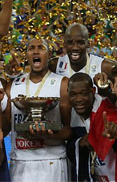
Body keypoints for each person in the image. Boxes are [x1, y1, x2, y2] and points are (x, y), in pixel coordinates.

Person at [4, 37, 72, 181]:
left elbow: (68, 130)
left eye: (41, 48)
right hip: (21, 161)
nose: (36, 51)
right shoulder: (13, 86)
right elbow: (6, 127)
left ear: (49, 54)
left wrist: (49, 136)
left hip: (52, 160)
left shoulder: (62, 84)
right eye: (31, 48)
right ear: (26, 55)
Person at [67, 72, 117, 181]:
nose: (78, 99)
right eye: (73, 94)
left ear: (93, 91)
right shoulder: (72, 113)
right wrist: (79, 143)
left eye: (83, 94)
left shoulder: (106, 112)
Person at [49, 23, 117, 81]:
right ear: (64, 44)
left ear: (88, 44)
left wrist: (103, 90)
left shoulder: (104, 66)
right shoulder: (54, 65)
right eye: (70, 43)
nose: (75, 47)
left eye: (80, 43)